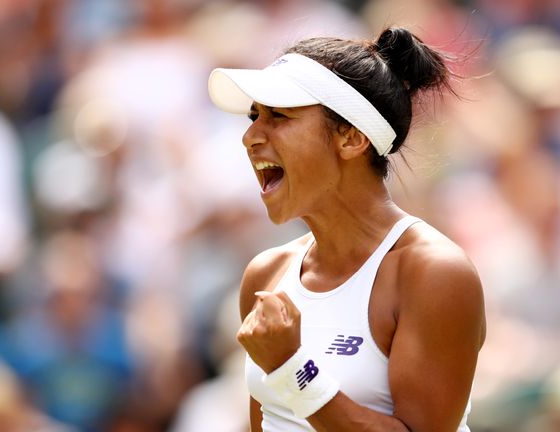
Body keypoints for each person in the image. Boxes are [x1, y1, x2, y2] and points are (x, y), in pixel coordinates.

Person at [207, 27, 486, 431]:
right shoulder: (264, 275)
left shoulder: (435, 273)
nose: (250, 136)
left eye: (278, 116)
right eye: (254, 116)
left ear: (352, 138)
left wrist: (291, 367)